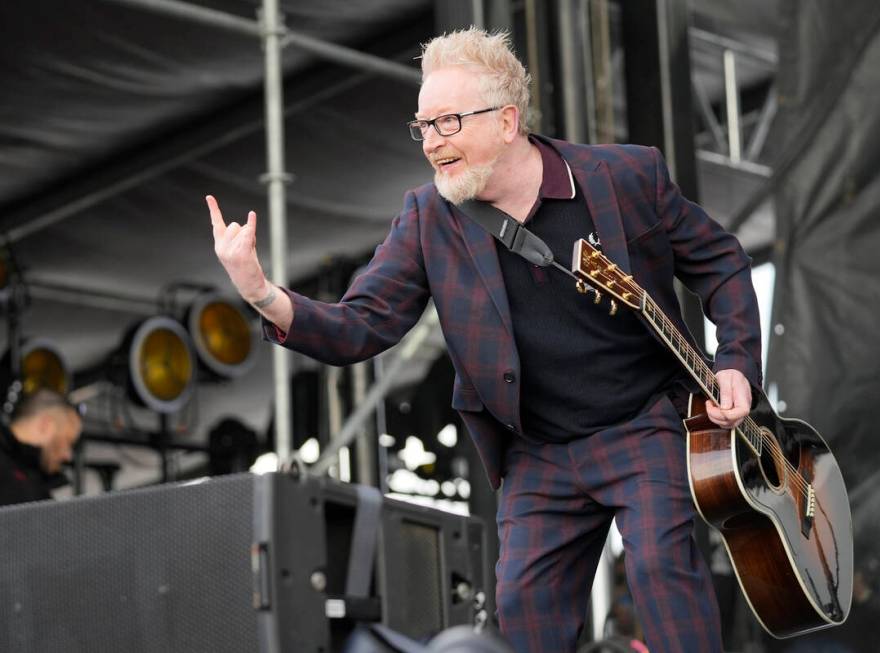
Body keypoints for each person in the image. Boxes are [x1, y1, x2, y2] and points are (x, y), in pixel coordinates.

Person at [207, 28, 761, 653]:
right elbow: (360, 325)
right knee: (522, 610)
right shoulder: (426, 219)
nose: (433, 143)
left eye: (448, 123)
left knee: (662, 569)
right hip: (538, 451)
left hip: (642, 423)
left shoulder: (626, 176)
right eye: (423, 127)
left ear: (506, 121)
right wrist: (260, 292)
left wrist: (736, 360)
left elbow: (722, 263)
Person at [0, 386, 82, 507]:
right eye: (67, 441)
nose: (68, 455)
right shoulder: (11, 474)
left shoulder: (36, 484)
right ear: (46, 425)